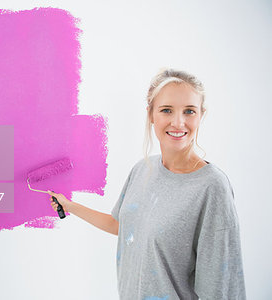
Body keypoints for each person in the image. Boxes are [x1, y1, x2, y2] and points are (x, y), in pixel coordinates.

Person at [47, 69, 246, 300]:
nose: (178, 122)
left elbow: (220, 287)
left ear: (201, 115)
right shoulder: (143, 169)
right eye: (166, 110)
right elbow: (121, 226)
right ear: (151, 114)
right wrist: (69, 206)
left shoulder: (212, 187)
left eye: (189, 111)